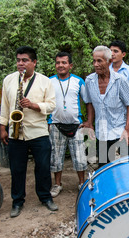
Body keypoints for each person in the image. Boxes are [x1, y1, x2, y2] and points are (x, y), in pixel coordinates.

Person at [0, 46, 57, 217]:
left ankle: (45, 198)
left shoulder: (45, 81)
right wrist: (2, 128)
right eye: (18, 60)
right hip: (16, 132)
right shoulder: (9, 80)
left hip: (38, 131)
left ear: (34, 62)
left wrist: (33, 105)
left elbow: (52, 105)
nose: (20, 63)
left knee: (43, 167)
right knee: (17, 169)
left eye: (24, 60)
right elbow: (5, 106)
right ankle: (17, 201)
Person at [82, 45, 129, 167]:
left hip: (119, 130)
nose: (95, 64)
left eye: (99, 61)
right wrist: (90, 123)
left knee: (125, 165)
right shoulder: (89, 81)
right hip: (101, 131)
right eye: (94, 61)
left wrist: (127, 130)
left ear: (109, 61)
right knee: (103, 167)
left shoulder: (119, 80)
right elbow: (89, 102)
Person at [48, 52, 87, 196]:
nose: (60, 65)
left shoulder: (78, 81)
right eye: (58, 63)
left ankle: (82, 183)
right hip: (56, 125)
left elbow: (88, 101)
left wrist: (89, 121)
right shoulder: (49, 81)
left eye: (64, 63)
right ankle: (57, 184)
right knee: (56, 157)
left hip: (76, 125)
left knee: (80, 156)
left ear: (70, 65)